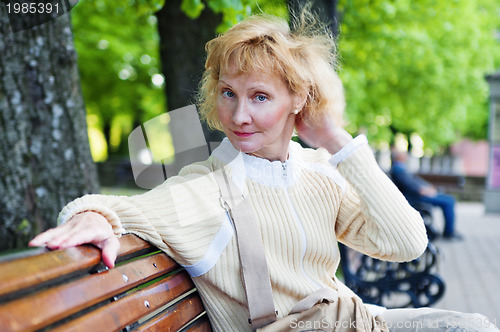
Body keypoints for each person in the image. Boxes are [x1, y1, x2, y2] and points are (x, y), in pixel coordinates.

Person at [30, 12, 495, 332]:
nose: (238, 115)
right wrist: (89, 215)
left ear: (299, 100)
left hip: (355, 320)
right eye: (228, 93)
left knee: (475, 326)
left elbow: (407, 243)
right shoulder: (209, 189)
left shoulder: (316, 171)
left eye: (259, 96)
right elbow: (125, 209)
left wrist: (334, 141)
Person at [390, 150, 461, 240]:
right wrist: (425, 190)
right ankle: (449, 233)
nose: (406, 155)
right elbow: (409, 185)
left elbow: (414, 181)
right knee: (449, 201)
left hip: (418, 195)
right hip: (415, 197)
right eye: (403, 154)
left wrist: (428, 188)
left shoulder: (401, 167)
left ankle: (449, 231)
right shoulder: (398, 169)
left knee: (449, 199)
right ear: (399, 157)